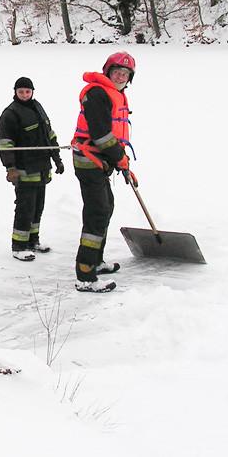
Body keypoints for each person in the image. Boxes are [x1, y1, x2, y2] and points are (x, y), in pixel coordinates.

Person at [71, 52, 138, 293]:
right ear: (108, 71)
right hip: (89, 160)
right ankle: (85, 275)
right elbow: (101, 134)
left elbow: (114, 136)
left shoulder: (117, 94)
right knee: (97, 213)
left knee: (106, 207)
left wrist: (122, 162)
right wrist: (119, 158)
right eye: (117, 71)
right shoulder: (97, 93)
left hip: (102, 160)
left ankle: (96, 262)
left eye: (126, 74)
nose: (121, 76)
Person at [0, 76, 65, 261]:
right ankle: (19, 246)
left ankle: (32, 241)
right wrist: (10, 168)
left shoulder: (38, 108)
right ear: (15, 92)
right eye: (21, 91)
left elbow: (49, 135)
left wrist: (57, 159)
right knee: (25, 208)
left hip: (42, 167)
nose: (25, 94)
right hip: (24, 169)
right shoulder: (10, 114)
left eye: (28, 91)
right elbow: (5, 144)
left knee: (38, 208)